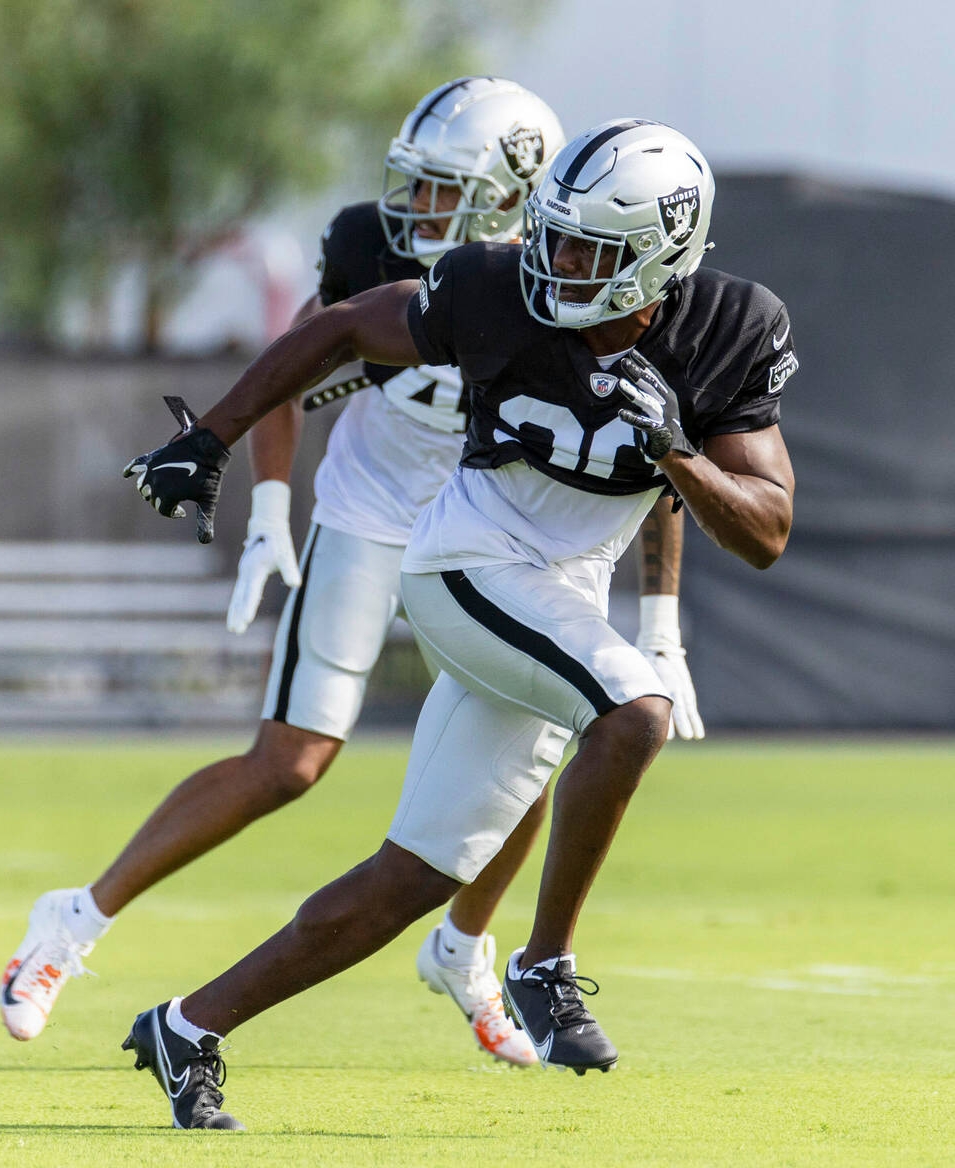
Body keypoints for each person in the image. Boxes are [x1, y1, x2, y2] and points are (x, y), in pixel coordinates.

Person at [0, 84, 699, 1071]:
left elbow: (659, 447)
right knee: (291, 761)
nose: (413, 208)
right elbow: (302, 357)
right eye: (411, 184)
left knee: (539, 724)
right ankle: (73, 920)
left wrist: (661, 616)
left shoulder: (581, 278)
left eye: (443, 189)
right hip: (375, 511)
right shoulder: (390, 254)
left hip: (502, 528)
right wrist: (272, 510)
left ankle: (465, 946)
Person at [116, 117, 796, 1130]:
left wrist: (680, 456)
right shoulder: (489, 285)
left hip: (557, 594)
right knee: (635, 710)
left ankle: (189, 1027)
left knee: (413, 877)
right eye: (556, 235)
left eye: (590, 250)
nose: (559, 262)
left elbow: (768, 529)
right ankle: (545, 965)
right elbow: (341, 325)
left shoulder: (730, 327)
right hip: (467, 564)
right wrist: (212, 440)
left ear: (663, 253)